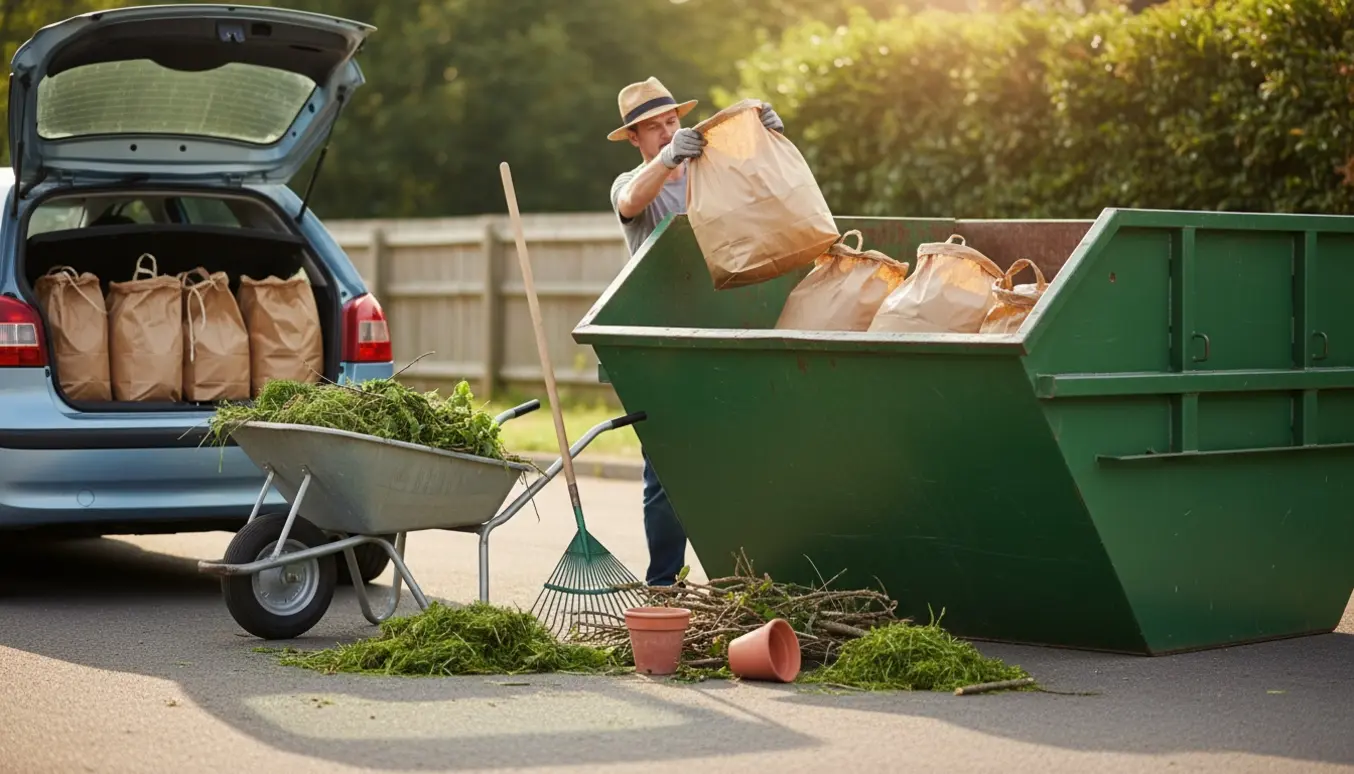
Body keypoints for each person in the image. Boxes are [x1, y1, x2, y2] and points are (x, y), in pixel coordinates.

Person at [605, 77, 784, 586]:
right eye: (652, 129)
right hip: (662, 348)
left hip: (725, 334)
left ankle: (744, 582)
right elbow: (632, 202)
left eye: (671, 123)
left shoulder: (714, 172)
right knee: (666, 475)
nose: (666, 133)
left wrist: (768, 140)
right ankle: (664, 585)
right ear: (634, 139)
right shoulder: (632, 184)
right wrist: (665, 162)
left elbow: (772, 195)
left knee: (740, 462)